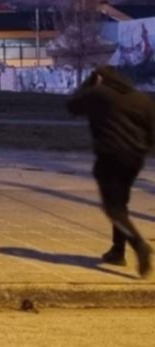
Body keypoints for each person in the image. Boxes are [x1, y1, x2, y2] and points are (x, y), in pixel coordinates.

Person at [67, 66, 155, 278]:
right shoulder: (140, 99)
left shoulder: (99, 94)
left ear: (99, 78)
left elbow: (72, 106)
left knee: (113, 208)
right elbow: (152, 133)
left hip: (110, 157)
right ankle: (117, 251)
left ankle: (139, 246)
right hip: (134, 159)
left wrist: (89, 86)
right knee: (121, 204)